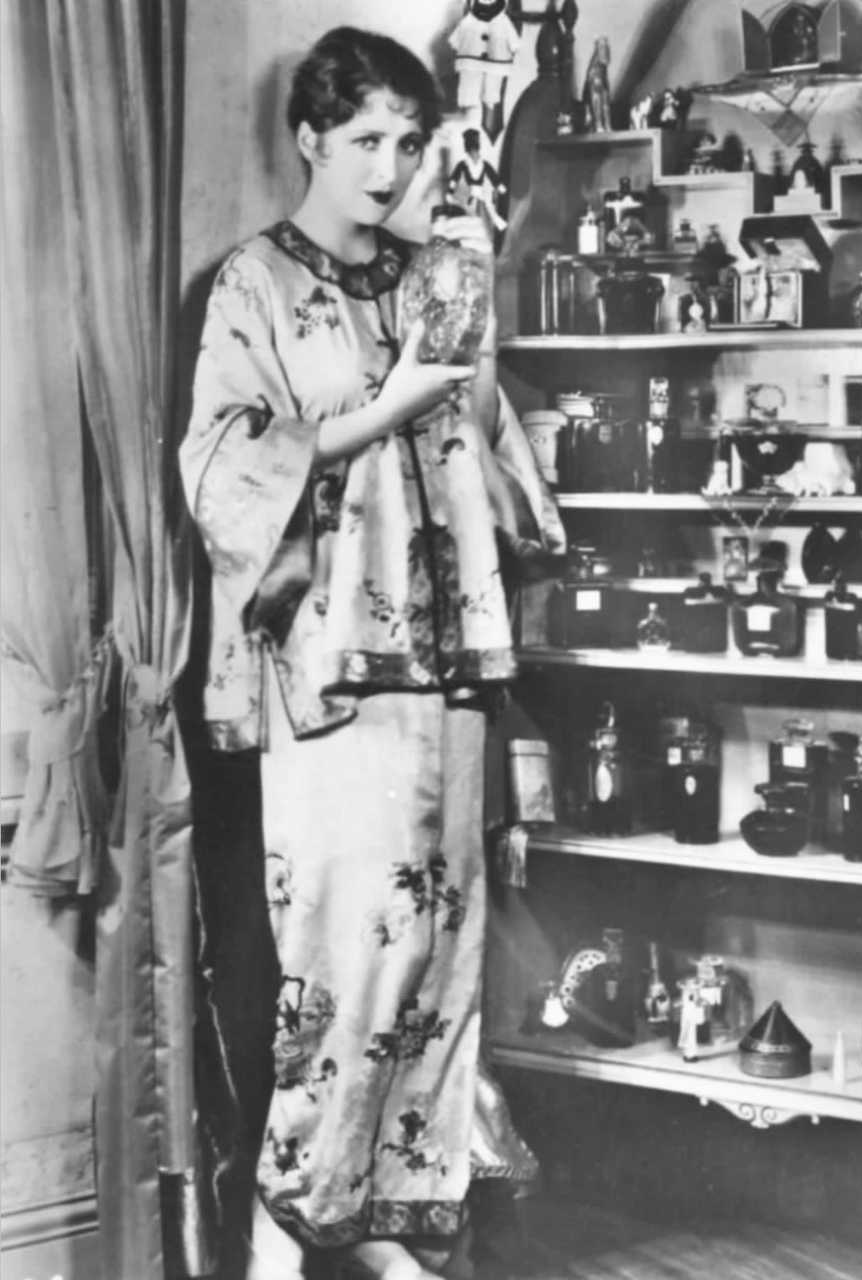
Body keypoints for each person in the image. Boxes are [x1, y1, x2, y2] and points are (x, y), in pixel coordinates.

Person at [179, 26, 564, 1280]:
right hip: (331, 669)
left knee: (436, 956)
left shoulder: (438, 273)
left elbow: (485, 450)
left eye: (407, 141)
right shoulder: (251, 285)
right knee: (342, 956)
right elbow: (223, 466)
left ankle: (391, 1215)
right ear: (309, 138)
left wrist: (470, 343)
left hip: (446, 663)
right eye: (364, 141)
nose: (389, 168)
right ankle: (288, 1216)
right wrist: (383, 408)